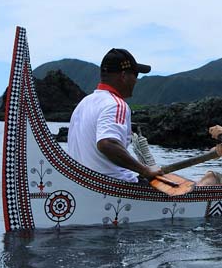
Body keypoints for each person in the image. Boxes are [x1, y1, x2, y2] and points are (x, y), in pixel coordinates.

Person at [67, 47, 162, 183]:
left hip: (82, 183)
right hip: (113, 186)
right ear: (123, 76)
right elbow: (107, 143)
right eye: (135, 75)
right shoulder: (116, 104)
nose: (136, 80)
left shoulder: (83, 103)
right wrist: (144, 170)